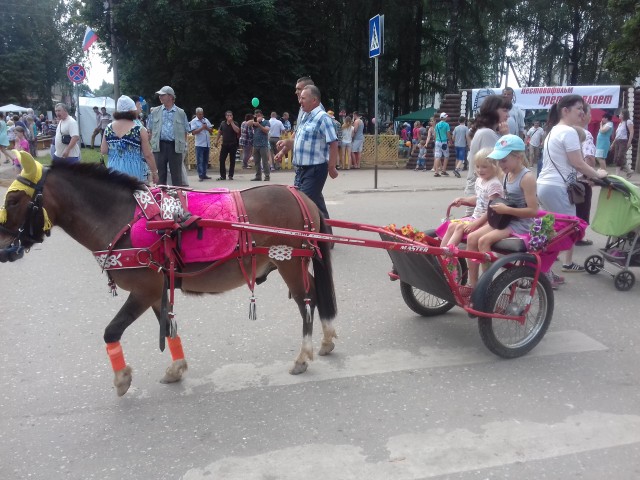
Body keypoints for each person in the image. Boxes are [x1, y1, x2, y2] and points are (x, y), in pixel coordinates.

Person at [537, 94, 608, 275]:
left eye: (583, 109)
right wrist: (598, 174)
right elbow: (579, 163)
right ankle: (541, 271)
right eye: (578, 108)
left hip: (546, 185)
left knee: (551, 229)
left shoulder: (554, 130)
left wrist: (588, 177)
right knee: (567, 230)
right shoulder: (568, 132)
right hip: (556, 187)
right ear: (565, 110)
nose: (582, 113)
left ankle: (542, 270)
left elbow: (569, 164)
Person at [466, 135, 538, 287]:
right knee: (472, 238)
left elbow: (533, 211)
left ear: (518, 157)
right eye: (498, 160)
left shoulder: (527, 178)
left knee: (483, 241)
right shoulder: (507, 174)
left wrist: (507, 209)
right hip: (506, 218)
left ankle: (487, 286)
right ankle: (473, 284)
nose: (500, 164)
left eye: (503, 160)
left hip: (521, 223)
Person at [277, 85, 338, 219]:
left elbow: (333, 143)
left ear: (314, 100)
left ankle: (303, 237)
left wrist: (332, 167)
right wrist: (287, 144)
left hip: (315, 170)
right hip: (301, 170)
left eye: (303, 98)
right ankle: (326, 237)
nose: (300, 101)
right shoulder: (305, 116)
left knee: (301, 205)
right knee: (316, 205)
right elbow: (303, 141)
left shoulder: (323, 118)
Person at [438, 148, 503, 247]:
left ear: (494, 167)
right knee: (451, 226)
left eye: (484, 167)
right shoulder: (480, 180)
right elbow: (479, 199)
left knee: (459, 227)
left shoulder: (494, 185)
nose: (480, 170)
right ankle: (441, 255)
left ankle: (448, 254)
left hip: (488, 221)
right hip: (476, 217)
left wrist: (476, 223)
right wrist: (463, 200)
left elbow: (492, 209)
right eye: (477, 166)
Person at [463, 95, 511, 215]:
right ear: (493, 110)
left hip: (483, 190)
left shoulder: (485, 132)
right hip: (484, 192)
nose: (508, 115)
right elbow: (496, 164)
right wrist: (507, 137)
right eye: (504, 110)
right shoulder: (487, 133)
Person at [101, 95, 159, 185]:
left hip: (113, 171)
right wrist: (155, 172)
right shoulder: (139, 129)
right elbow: (148, 155)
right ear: (132, 110)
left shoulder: (108, 128)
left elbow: (103, 150)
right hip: (134, 173)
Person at [147, 85, 190, 186]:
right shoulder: (155, 112)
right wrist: (152, 144)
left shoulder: (181, 112)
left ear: (170, 97)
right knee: (160, 174)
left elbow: (185, 130)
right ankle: (161, 197)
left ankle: (177, 197)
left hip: (174, 146)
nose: (160, 97)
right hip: (160, 145)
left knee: (176, 174)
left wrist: (182, 145)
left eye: (163, 95)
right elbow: (150, 129)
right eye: (159, 95)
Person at [574, 103, 596, 247]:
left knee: (571, 211)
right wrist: (592, 176)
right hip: (582, 179)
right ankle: (578, 238)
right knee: (582, 210)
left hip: (569, 179)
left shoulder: (569, 131)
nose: (590, 116)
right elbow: (589, 158)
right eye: (589, 113)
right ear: (583, 115)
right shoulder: (586, 134)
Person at [214, 110, 240, 180]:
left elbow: (237, 131)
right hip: (225, 144)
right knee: (222, 159)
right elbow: (219, 132)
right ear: (226, 117)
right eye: (228, 115)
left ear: (232, 116)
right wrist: (216, 140)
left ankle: (230, 175)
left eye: (230, 115)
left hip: (233, 144)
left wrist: (231, 123)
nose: (229, 117)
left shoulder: (235, 123)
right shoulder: (223, 123)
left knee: (232, 160)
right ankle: (223, 175)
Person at [189, 107, 213, 181]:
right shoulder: (194, 121)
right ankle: (200, 175)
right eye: (199, 114)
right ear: (196, 114)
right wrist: (202, 128)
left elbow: (211, 130)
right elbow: (193, 132)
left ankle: (204, 174)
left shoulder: (206, 120)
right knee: (200, 160)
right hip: (199, 144)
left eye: (202, 114)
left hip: (207, 144)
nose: (201, 116)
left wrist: (207, 128)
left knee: (206, 160)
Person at [612, 109, 634, 178]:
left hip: (624, 141)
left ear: (624, 115)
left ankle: (617, 175)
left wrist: (629, 142)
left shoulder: (628, 122)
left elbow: (631, 132)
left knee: (620, 157)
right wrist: (613, 143)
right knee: (617, 158)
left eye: (621, 114)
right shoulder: (620, 123)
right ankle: (629, 171)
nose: (619, 115)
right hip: (618, 141)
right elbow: (617, 135)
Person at [250, 110, 271, 181]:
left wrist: (259, 125)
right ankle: (258, 176)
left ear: (262, 115)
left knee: (265, 161)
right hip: (255, 144)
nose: (257, 117)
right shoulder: (254, 122)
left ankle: (267, 176)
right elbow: (247, 123)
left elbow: (266, 130)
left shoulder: (266, 122)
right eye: (256, 115)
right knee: (256, 161)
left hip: (263, 145)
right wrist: (254, 120)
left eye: (259, 115)